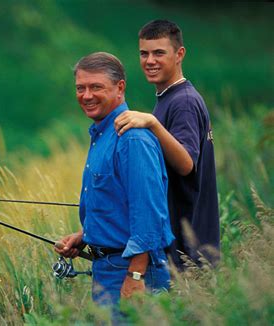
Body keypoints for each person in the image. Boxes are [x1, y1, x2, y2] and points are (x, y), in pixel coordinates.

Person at [55, 52, 174, 315]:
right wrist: (84, 237)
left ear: (120, 88)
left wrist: (135, 276)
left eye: (96, 87)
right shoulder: (102, 133)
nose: (86, 95)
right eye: (80, 88)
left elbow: (148, 212)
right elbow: (117, 203)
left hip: (131, 270)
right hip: (107, 269)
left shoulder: (131, 138)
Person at [114, 20, 220, 269]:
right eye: (144, 53)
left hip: (189, 252)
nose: (150, 61)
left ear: (179, 54)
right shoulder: (169, 98)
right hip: (184, 249)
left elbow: (185, 164)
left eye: (159, 52)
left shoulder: (182, 101)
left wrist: (152, 123)